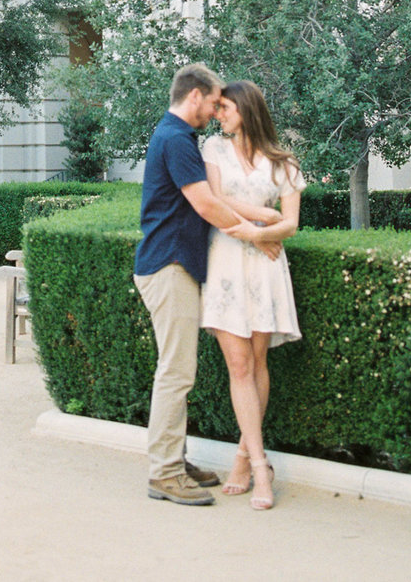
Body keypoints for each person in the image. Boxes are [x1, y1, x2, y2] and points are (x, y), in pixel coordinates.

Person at [134, 63, 281, 506]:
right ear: (194, 96)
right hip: (169, 264)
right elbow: (206, 205)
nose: (217, 110)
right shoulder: (176, 138)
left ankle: (174, 461)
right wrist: (255, 233)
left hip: (172, 263)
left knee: (177, 369)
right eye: (215, 102)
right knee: (176, 373)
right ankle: (164, 473)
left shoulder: (175, 136)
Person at [200, 80, 306, 510]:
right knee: (238, 364)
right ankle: (262, 468)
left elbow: (291, 224)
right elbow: (214, 198)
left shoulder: (283, 162)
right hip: (225, 262)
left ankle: (244, 456)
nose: (218, 114)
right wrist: (261, 219)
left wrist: (258, 232)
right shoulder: (213, 150)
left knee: (257, 362)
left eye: (224, 108)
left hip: (264, 269)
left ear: (245, 108)